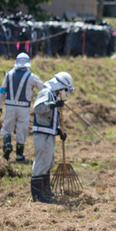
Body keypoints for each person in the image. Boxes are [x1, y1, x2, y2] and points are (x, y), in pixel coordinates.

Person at [29, 71, 74, 203]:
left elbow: (49, 117)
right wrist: (53, 105)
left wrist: (58, 130)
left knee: (48, 163)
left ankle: (46, 191)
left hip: (48, 133)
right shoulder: (47, 92)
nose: (65, 92)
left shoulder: (53, 94)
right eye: (65, 90)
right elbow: (37, 108)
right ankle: (37, 196)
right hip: (42, 135)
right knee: (41, 162)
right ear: (61, 86)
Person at [0, 52, 46, 162]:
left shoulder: (8, 74)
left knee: (6, 128)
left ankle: (8, 144)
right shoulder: (31, 77)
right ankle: (19, 155)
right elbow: (44, 88)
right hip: (24, 108)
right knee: (21, 130)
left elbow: (2, 91)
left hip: (9, 106)